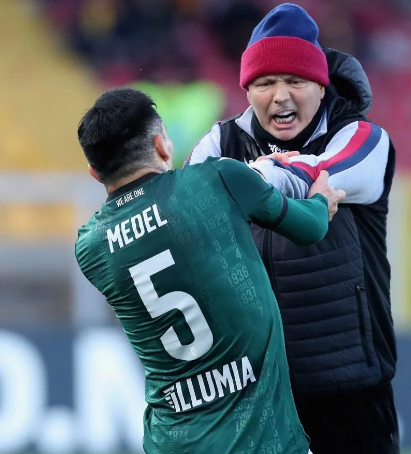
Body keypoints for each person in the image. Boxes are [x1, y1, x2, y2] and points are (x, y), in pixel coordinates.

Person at [74, 87, 346, 454]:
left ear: (94, 172)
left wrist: (249, 175)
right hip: (262, 443)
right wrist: (320, 199)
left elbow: (161, 219)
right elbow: (310, 226)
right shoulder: (220, 179)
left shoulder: (90, 246)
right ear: (161, 146)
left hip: (172, 443)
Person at [186, 3, 398, 454]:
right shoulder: (219, 141)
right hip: (256, 391)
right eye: (264, 83)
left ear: (321, 85)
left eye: (295, 81)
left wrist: (246, 178)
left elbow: (317, 173)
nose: (280, 96)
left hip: (349, 386)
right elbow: (187, 214)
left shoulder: (364, 138)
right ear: (247, 90)